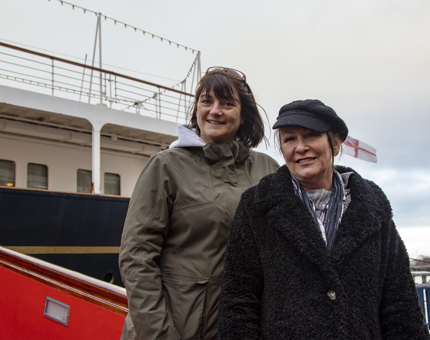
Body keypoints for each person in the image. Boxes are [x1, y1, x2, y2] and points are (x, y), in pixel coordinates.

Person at [218, 99, 430, 339]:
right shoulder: (256, 206)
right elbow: (238, 302)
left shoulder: (373, 207)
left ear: (335, 143)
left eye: (311, 135)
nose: (300, 147)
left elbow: (400, 303)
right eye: (289, 139)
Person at [118, 67, 279, 340]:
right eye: (207, 101)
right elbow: (136, 258)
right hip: (174, 330)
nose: (215, 111)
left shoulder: (267, 168)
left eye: (227, 103)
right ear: (197, 110)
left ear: (243, 116)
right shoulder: (165, 166)